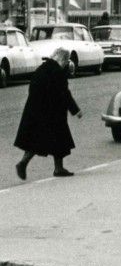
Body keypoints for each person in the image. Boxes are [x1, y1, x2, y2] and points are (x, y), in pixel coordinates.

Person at [14, 48, 83, 181]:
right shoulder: (58, 72)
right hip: (52, 112)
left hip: (36, 109)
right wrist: (76, 110)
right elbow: (64, 93)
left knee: (40, 139)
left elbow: (33, 87)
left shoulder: (42, 68)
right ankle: (28, 164)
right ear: (62, 59)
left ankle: (54, 168)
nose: (66, 64)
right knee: (56, 139)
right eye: (66, 61)